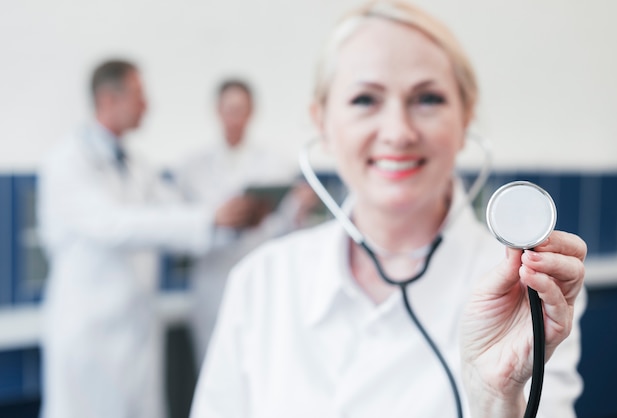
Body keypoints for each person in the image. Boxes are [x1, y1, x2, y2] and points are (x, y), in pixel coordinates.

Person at [189, 2, 587, 418]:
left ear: (466, 117)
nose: (398, 133)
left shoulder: (530, 286)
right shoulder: (260, 283)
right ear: (321, 121)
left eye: (427, 98)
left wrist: (495, 400)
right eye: (365, 99)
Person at [38, 59, 220, 418]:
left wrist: (224, 220)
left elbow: (175, 214)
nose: (147, 105)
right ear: (108, 99)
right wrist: (206, 219)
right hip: (88, 330)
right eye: (139, 95)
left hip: (134, 328)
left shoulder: (136, 164)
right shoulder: (67, 161)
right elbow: (113, 225)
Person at [173, 79, 318, 368]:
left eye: (241, 109)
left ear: (252, 112)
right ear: (217, 111)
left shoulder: (276, 163)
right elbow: (181, 232)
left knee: (259, 365)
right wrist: (217, 222)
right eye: (229, 109)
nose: (234, 118)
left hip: (260, 277)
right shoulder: (191, 166)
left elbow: (286, 231)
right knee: (213, 366)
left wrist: (300, 207)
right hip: (212, 280)